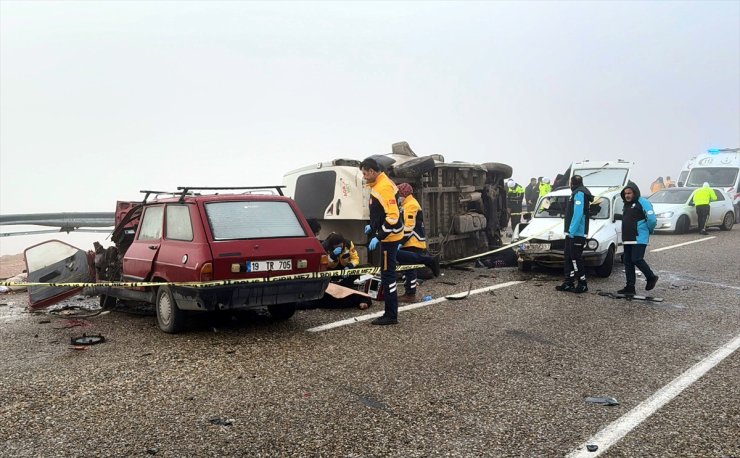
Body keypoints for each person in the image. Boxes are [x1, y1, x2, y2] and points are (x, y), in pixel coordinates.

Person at [360, 157, 404, 325]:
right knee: (388, 273)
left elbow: (393, 216)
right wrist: (372, 226)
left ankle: (391, 315)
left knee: (388, 277)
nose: (363, 176)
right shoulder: (379, 184)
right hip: (389, 235)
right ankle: (390, 313)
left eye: (365, 173)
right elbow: (381, 212)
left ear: (372, 171)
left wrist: (379, 236)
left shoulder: (383, 187)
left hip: (390, 238)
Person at [394, 183, 441, 303]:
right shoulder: (406, 204)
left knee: (410, 269)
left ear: (404, 194)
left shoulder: (411, 205)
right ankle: (409, 293)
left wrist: (400, 241)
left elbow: (409, 226)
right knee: (409, 268)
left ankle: (410, 294)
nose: (398, 197)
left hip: (412, 241)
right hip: (411, 241)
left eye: (399, 194)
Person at [617, 182, 658, 295]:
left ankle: (651, 277)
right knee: (628, 262)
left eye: (629, 193)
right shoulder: (626, 204)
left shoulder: (643, 202)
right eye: (625, 193)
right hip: (628, 238)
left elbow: (652, 219)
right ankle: (630, 287)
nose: (627, 195)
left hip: (639, 237)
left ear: (635, 193)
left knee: (637, 259)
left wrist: (648, 230)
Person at [556, 175, 593, 294]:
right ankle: (569, 282)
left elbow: (578, 214)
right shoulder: (576, 193)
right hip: (571, 233)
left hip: (577, 233)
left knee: (575, 258)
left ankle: (582, 283)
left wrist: (571, 231)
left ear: (572, 183)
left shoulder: (579, 194)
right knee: (568, 256)